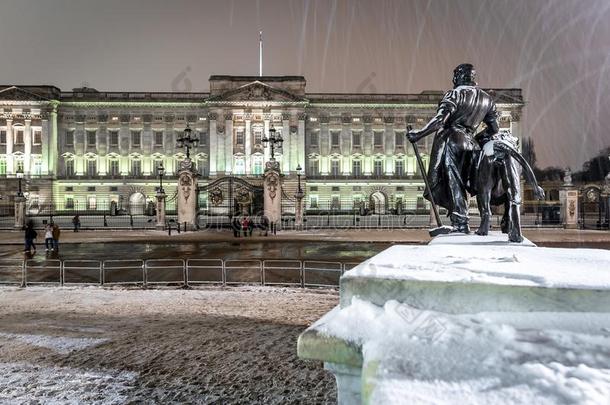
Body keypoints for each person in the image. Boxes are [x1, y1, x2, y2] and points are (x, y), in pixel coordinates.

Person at [407, 63, 499, 233]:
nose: (453, 79)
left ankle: (461, 222)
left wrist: (418, 134)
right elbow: (494, 129)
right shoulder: (487, 99)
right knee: (468, 182)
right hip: (472, 144)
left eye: (455, 76)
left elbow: (441, 119)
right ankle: (478, 217)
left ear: (459, 77)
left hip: (452, 139)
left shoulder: (455, 94)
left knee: (454, 181)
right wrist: (477, 138)